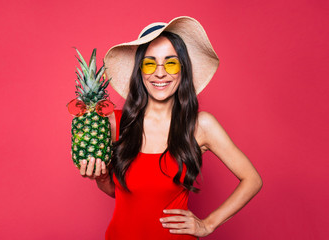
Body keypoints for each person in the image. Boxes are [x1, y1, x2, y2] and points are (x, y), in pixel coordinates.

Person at [78, 16, 263, 239]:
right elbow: (121, 194)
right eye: (150, 63)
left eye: (171, 62)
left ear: (182, 69)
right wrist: (102, 178)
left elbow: (252, 179)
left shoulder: (200, 125)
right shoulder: (115, 123)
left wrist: (208, 224)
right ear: (140, 71)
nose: (160, 73)